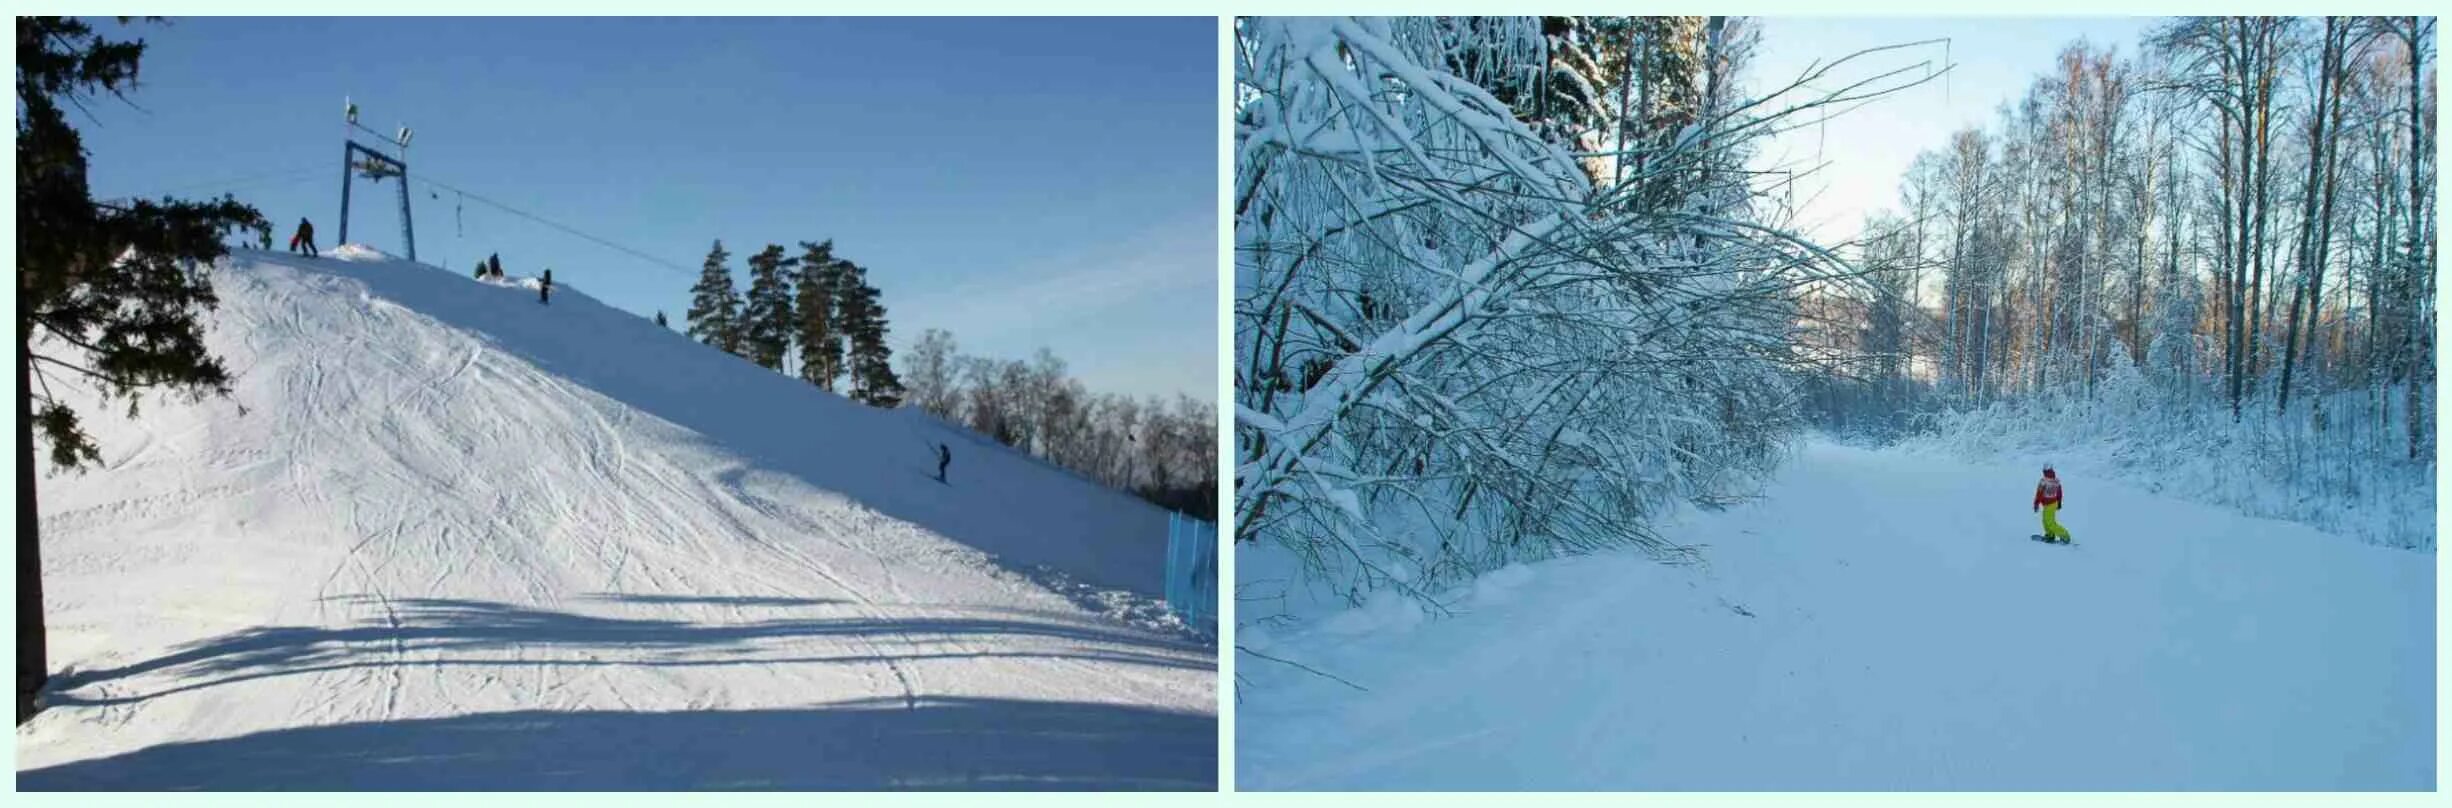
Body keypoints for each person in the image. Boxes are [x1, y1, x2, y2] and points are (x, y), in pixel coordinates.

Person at [2032, 463, 2071, 544]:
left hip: (2051, 504)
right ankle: (2050, 535)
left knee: (2050, 522)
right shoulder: (2056, 481)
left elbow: (2039, 493)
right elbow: (2059, 493)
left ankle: (2065, 536)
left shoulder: (2043, 481)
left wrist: (2036, 504)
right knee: (2045, 521)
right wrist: (2059, 502)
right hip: (2051, 504)